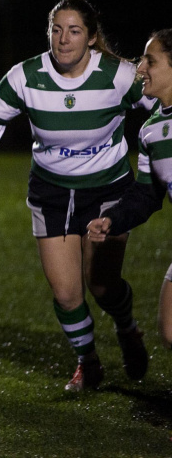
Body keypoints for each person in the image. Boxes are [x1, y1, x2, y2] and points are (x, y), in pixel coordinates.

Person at [0, 0, 155, 391]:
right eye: (56, 30)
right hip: (52, 192)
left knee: (102, 286)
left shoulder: (117, 75)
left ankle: (128, 329)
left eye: (74, 30)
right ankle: (88, 361)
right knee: (65, 294)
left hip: (108, 191)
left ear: (92, 38)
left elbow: (162, 102)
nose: (63, 40)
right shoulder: (27, 76)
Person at [88, 28, 172, 351]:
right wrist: (112, 219)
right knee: (169, 330)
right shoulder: (151, 132)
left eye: (150, 61)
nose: (140, 69)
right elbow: (147, 195)